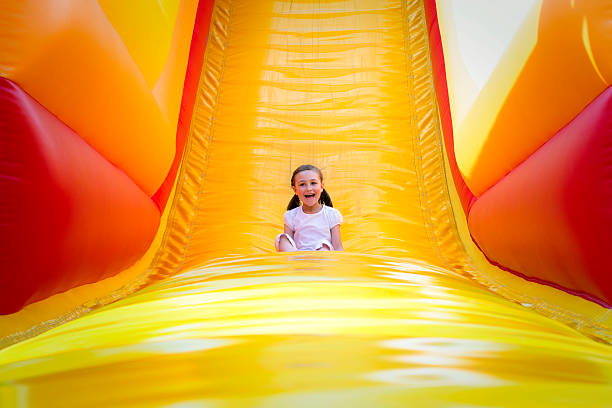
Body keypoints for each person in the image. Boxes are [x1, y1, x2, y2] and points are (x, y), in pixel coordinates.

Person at [275, 164, 344, 252]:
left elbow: (338, 247)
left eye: (313, 183)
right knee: (283, 238)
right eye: (302, 184)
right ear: (295, 190)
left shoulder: (331, 214)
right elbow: (289, 242)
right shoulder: (291, 215)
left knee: (325, 247)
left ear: (321, 186)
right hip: (298, 257)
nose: (308, 188)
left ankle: (315, 261)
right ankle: (297, 262)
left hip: (321, 258)